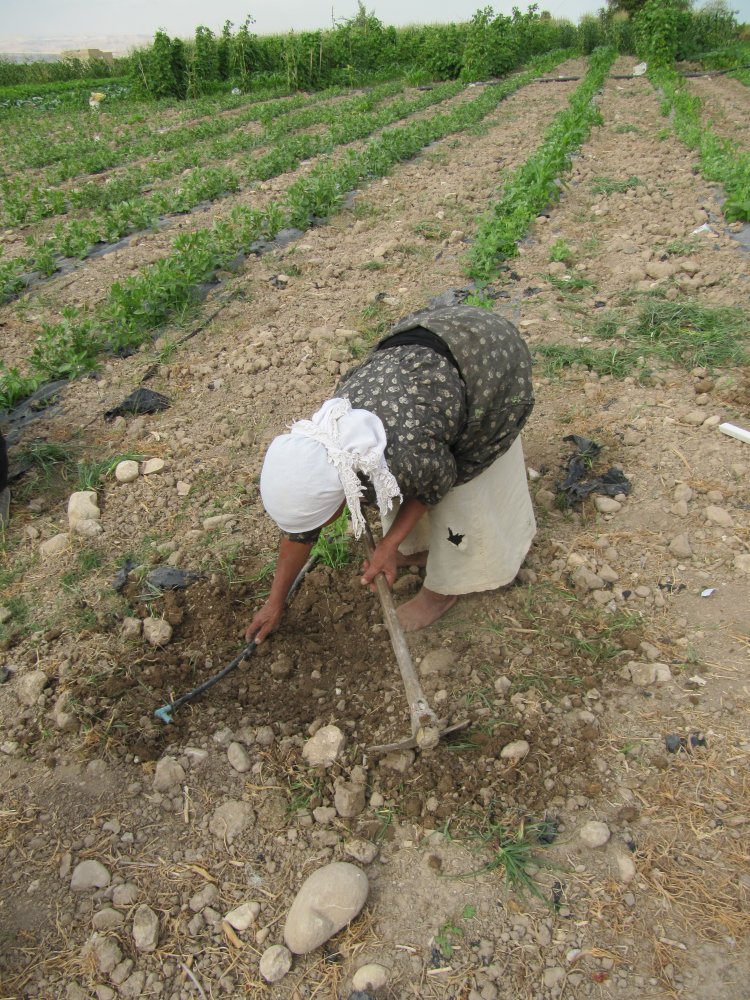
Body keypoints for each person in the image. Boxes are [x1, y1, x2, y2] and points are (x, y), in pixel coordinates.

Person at [246, 304, 537, 643]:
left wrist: (390, 542)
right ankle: (421, 547)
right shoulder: (330, 444)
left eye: (321, 522)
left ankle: (444, 589)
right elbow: (300, 531)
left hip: (487, 359)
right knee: (402, 480)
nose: (317, 528)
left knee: (459, 492)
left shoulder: (407, 454)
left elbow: (437, 483)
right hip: (433, 346)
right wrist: (275, 602)